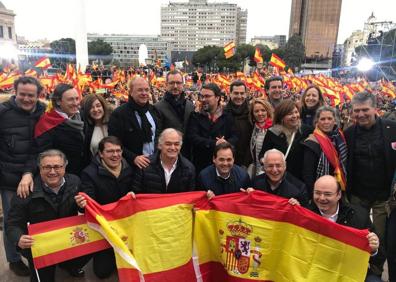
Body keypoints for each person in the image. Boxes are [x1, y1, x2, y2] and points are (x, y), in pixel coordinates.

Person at [6, 150, 90, 281]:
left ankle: (69, 265)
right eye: (47, 167)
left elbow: (84, 210)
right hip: (40, 247)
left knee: (91, 247)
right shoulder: (25, 191)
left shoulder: (75, 182)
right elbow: (12, 223)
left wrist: (83, 206)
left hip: (67, 239)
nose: (52, 172)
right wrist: (19, 238)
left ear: (65, 166)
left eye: (57, 166)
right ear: (39, 168)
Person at [345, 91, 396, 278]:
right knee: (358, 237)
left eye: (365, 110)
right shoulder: (349, 133)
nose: (360, 115)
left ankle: (375, 273)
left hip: (384, 199)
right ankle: (357, 273)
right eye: (356, 111)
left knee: (379, 240)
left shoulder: (392, 129)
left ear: (375, 109)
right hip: (358, 197)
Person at [0, 76, 46, 276]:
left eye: (31, 95)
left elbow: (40, 146)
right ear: (14, 92)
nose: (27, 99)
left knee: (37, 216)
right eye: (23, 95)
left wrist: (28, 173)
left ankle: (38, 251)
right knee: (13, 220)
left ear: (38, 95)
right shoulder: (2, 112)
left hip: (35, 174)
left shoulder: (44, 111)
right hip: (9, 177)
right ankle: (14, 259)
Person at [76, 136, 134, 279]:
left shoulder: (131, 169)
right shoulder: (88, 173)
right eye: (110, 151)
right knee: (102, 273)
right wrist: (82, 204)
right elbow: (88, 205)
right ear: (100, 154)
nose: (115, 155)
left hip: (128, 226)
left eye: (118, 151)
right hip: (105, 229)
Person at [311, 175, 381, 282]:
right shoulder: (305, 215)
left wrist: (374, 250)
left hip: (350, 272)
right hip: (315, 272)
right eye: (317, 193)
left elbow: (378, 258)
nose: (321, 198)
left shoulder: (359, 216)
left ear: (339, 195)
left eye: (327, 194)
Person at [108, 77, 161, 169]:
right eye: (140, 90)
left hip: (154, 163)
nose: (144, 93)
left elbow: (158, 135)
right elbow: (114, 142)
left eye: (146, 90)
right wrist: (133, 158)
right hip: (131, 167)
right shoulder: (119, 114)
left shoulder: (154, 110)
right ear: (131, 92)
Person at [185, 83, 238, 173]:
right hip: (201, 164)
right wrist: (214, 143)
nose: (203, 99)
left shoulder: (228, 115)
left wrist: (225, 144)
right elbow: (192, 137)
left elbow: (235, 136)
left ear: (217, 98)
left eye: (207, 96)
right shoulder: (195, 115)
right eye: (202, 96)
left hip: (224, 165)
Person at [35, 83, 85, 175]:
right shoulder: (47, 123)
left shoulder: (80, 116)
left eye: (77, 99)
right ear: (58, 101)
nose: (75, 103)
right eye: (70, 100)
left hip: (81, 173)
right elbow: (43, 156)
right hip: (61, 177)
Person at [258, 99, 312, 181]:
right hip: (277, 178)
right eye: (290, 114)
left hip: (299, 180)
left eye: (296, 112)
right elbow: (262, 154)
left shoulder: (306, 131)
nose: (294, 116)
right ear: (281, 117)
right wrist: (266, 161)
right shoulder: (273, 132)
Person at [132, 128, 195, 193]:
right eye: (168, 144)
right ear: (159, 145)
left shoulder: (189, 168)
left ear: (180, 146)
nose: (173, 148)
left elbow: (190, 197)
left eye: (176, 144)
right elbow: (136, 194)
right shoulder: (144, 164)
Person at [302, 106, 348, 195]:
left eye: (329, 118)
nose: (326, 122)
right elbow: (308, 175)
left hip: (339, 188)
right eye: (322, 119)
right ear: (317, 122)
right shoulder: (311, 142)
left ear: (335, 121)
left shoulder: (340, 137)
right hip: (321, 191)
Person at [224, 80, 253, 167]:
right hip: (227, 161)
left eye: (242, 93)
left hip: (247, 160)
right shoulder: (222, 113)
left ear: (246, 94)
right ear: (230, 94)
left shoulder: (252, 113)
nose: (239, 96)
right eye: (236, 93)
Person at [81, 94, 111, 162]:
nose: (95, 109)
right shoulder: (85, 128)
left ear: (103, 107)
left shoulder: (113, 123)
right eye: (91, 107)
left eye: (98, 106)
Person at [248, 98, 273, 177]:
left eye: (263, 110)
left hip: (271, 170)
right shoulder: (253, 128)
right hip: (257, 170)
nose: (260, 113)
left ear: (268, 111)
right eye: (256, 111)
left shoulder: (274, 129)